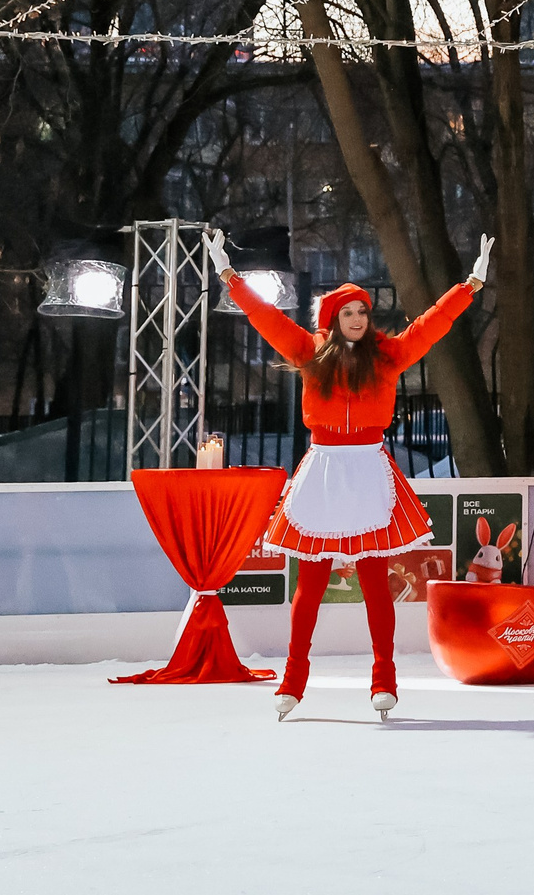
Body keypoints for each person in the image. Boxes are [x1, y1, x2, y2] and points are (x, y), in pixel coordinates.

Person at [208, 227, 489, 722]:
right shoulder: (309, 353)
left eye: (363, 311)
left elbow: (430, 325)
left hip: (367, 470)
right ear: (332, 319)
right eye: (348, 312)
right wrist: (230, 277)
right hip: (323, 468)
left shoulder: (388, 356)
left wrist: (469, 285)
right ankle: (292, 681)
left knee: (375, 582)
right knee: (310, 585)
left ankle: (385, 679)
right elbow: (266, 318)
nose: (358, 318)